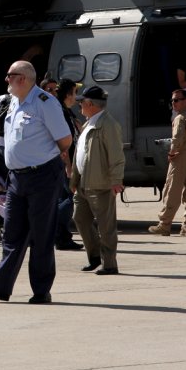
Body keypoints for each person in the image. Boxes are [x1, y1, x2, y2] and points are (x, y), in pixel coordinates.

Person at [0, 60, 72, 304]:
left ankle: (41, 291)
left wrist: (44, 157)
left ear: (23, 78)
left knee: (41, 234)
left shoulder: (45, 103)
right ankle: (0, 287)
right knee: (12, 233)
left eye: (10, 75)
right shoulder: (11, 102)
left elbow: (65, 140)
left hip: (42, 175)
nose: (6, 79)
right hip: (17, 177)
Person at [71, 86, 125, 275]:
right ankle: (94, 257)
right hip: (83, 183)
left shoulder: (108, 125)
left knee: (106, 226)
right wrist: (74, 180)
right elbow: (80, 153)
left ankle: (109, 264)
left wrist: (116, 180)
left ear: (90, 104)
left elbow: (117, 155)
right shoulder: (89, 123)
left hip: (101, 183)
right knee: (79, 218)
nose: (79, 106)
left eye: (81, 102)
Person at [149, 89, 186, 236]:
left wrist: (172, 153)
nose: (173, 103)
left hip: (181, 155)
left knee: (172, 190)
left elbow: (177, 138)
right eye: (172, 100)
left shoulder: (180, 118)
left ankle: (164, 224)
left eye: (177, 100)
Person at [54, 78, 83, 251]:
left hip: (69, 162)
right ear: (67, 94)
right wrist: (68, 166)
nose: (76, 97)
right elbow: (62, 143)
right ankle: (59, 235)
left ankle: (61, 235)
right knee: (68, 199)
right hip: (65, 163)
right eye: (75, 92)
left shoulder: (67, 111)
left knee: (65, 198)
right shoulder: (61, 112)